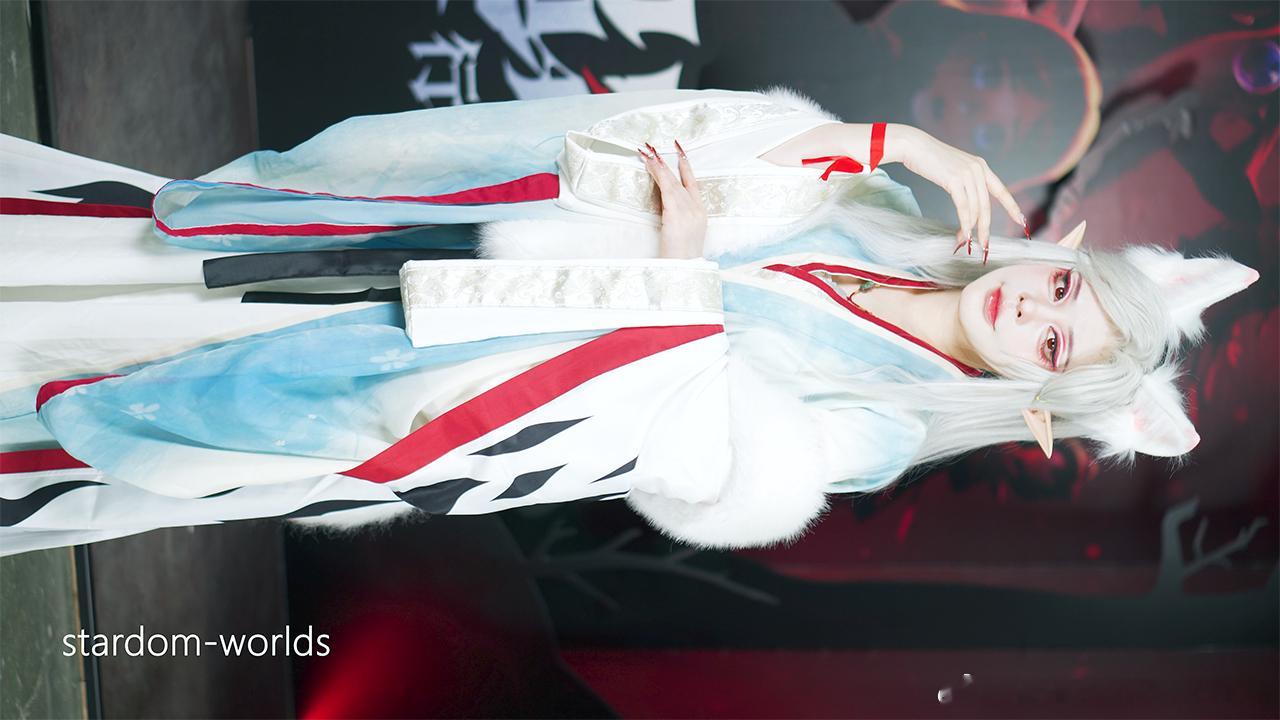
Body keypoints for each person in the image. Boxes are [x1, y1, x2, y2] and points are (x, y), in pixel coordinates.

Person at [0, 88, 1258, 556]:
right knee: (140, 274)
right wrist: (897, 142)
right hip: (445, 253)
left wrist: (676, 269)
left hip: (442, 367)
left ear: (1035, 400)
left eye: (1053, 344)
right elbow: (734, 152)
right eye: (1061, 290)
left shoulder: (876, 428)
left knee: (166, 383)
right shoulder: (874, 220)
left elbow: (703, 460)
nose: (1030, 307)